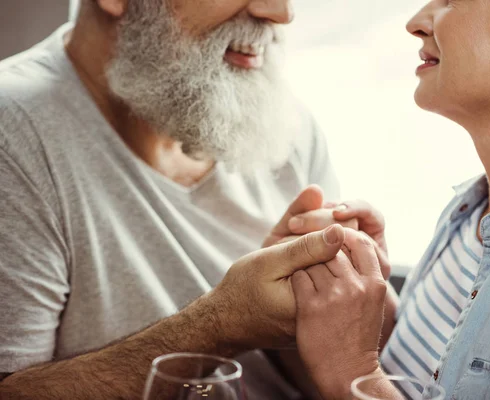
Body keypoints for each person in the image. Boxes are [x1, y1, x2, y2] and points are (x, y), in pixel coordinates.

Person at [0, 0, 397, 398]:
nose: (281, 12)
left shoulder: (281, 119)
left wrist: (324, 303)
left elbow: (327, 373)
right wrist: (222, 323)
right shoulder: (12, 131)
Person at [284, 0, 490, 398]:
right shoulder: (472, 209)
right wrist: (370, 301)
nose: (416, 23)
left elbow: (360, 373)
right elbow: (429, 376)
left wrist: (349, 371)